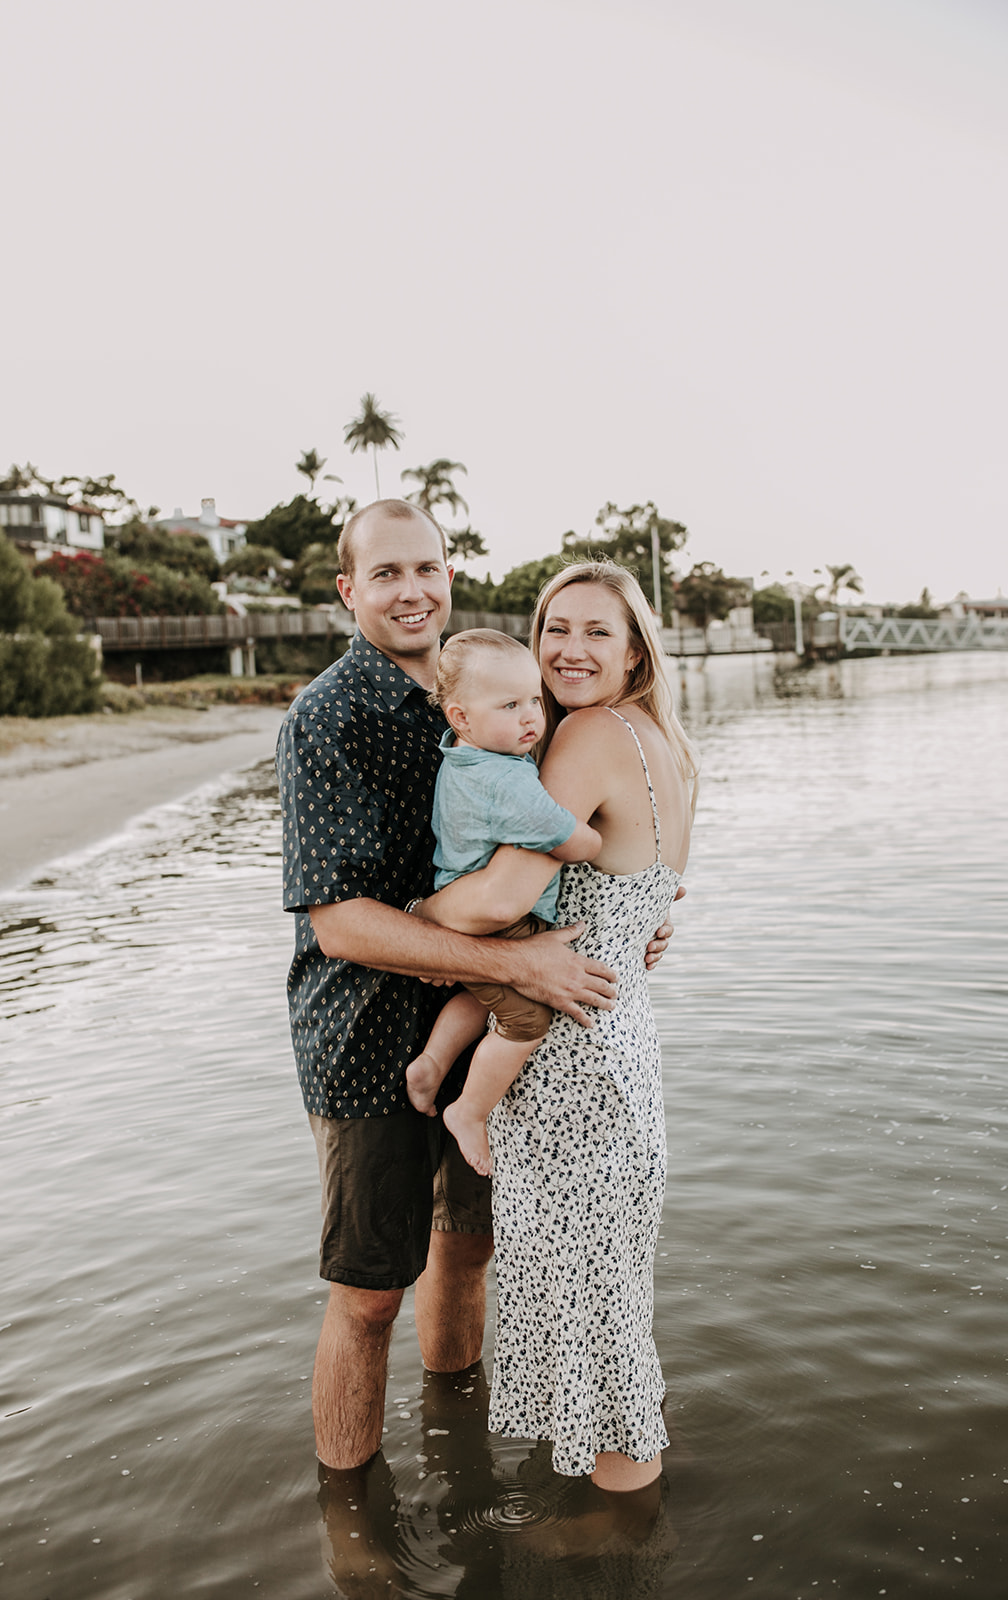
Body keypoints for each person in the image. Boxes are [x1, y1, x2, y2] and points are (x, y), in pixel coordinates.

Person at [275, 501, 671, 1472]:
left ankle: (456, 1456)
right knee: (369, 1292)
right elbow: (337, 922)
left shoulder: (494, 687)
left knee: (469, 1251)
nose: (410, 590)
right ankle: (353, 1529)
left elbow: (573, 835)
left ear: (448, 574)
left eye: (426, 568)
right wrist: (514, 963)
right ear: (348, 591)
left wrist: (635, 910)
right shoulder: (327, 718)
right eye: (384, 574)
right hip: (372, 1033)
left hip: (492, 1038)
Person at [412, 559, 698, 1494]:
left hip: (570, 1054)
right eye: (555, 630)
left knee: (586, 1302)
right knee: (608, 1300)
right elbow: (649, 896)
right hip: (623, 1049)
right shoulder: (663, 740)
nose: (571, 650)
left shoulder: (580, 736)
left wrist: (411, 919)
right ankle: (613, 1517)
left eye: (596, 632)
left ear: (634, 649)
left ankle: (611, 1539)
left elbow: (499, 901)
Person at [406, 628, 603, 1176]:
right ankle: (468, 1111)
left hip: (458, 901)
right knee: (526, 1019)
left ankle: (431, 1065)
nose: (530, 718)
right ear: (461, 718)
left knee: (483, 996)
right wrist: (595, 839)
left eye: (535, 700)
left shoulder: (465, 759)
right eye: (510, 705)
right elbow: (572, 837)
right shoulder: (503, 782)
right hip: (496, 927)